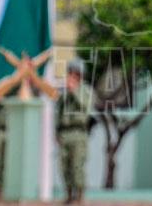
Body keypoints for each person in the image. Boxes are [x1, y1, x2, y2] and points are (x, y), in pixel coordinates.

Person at [56, 60, 94, 204]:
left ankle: (79, 196)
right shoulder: (64, 92)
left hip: (79, 132)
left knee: (77, 166)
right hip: (65, 133)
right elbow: (58, 112)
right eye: (70, 72)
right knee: (64, 167)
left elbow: (85, 106)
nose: (71, 76)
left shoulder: (86, 90)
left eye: (75, 73)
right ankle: (69, 194)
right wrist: (56, 132)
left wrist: (75, 90)